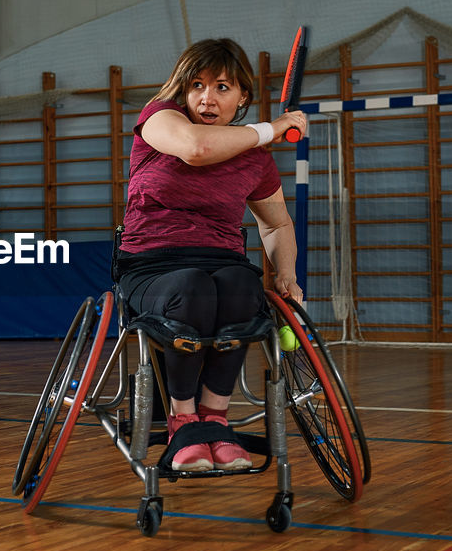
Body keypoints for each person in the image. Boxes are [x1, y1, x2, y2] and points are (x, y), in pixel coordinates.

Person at [114, 37, 307, 472]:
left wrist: (287, 276)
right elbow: (197, 148)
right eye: (197, 85)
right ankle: (184, 421)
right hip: (152, 264)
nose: (207, 97)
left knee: (243, 287)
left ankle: (214, 419)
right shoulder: (159, 118)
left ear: (242, 97)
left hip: (222, 261)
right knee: (194, 288)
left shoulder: (254, 160)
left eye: (223, 87)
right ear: (183, 90)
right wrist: (273, 129)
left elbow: (276, 224)